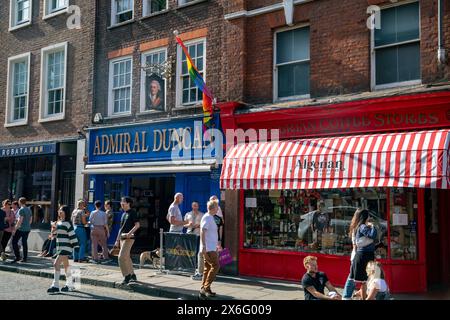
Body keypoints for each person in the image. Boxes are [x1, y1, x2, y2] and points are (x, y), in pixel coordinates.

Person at [346, 209, 377, 300]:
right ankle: (363, 297)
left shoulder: (359, 226)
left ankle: (362, 296)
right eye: (368, 216)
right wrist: (373, 226)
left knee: (365, 280)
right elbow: (372, 235)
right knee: (365, 280)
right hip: (365, 255)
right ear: (365, 217)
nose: (370, 218)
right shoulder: (363, 226)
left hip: (363, 254)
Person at [47, 205, 79, 293]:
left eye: (61, 210)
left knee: (56, 263)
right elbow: (55, 235)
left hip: (66, 247)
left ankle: (55, 285)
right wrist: (52, 230)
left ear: (66, 212)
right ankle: (70, 285)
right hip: (60, 247)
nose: (59, 211)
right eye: (59, 210)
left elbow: (72, 235)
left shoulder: (68, 223)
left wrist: (76, 246)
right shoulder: (58, 222)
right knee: (66, 266)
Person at [114, 196, 140, 285]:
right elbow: (120, 228)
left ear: (128, 203)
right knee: (127, 258)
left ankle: (126, 276)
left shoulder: (133, 212)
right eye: (121, 202)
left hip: (129, 238)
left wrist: (129, 233)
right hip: (122, 238)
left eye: (123, 202)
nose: (121, 203)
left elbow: (137, 225)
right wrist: (117, 240)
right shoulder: (123, 214)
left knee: (121, 257)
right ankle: (133, 275)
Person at [199, 200, 220, 298]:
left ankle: (204, 288)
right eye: (217, 207)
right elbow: (203, 231)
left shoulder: (210, 217)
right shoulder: (207, 217)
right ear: (213, 208)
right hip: (208, 248)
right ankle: (206, 288)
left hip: (211, 247)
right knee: (215, 266)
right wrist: (203, 246)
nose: (218, 208)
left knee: (207, 268)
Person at [342, 208, 362, 300]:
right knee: (352, 276)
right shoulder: (357, 229)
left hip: (358, 256)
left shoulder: (360, 227)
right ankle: (346, 296)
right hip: (357, 256)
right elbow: (355, 246)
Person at [184, 201, 204, 280]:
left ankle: (196, 266)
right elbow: (184, 224)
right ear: (192, 206)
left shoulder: (202, 215)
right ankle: (189, 266)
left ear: (198, 206)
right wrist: (188, 225)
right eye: (194, 205)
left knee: (197, 251)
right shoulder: (188, 214)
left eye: (196, 205)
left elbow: (204, 225)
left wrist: (198, 225)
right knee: (190, 250)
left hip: (198, 234)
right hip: (189, 234)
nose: (195, 207)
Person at [11, 197, 32, 263]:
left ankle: (17, 257)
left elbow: (20, 220)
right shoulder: (29, 209)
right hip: (27, 229)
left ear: (20, 202)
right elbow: (30, 220)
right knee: (24, 243)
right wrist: (27, 225)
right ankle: (24, 258)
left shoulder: (21, 210)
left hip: (21, 229)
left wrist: (15, 229)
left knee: (14, 241)